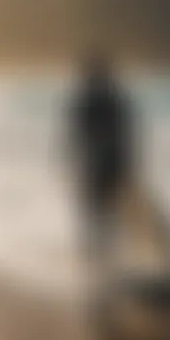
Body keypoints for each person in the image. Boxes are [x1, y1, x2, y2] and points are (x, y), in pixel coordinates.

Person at [68, 51, 136, 262]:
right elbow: (127, 138)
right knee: (108, 217)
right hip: (111, 165)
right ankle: (107, 260)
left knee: (95, 217)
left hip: (95, 166)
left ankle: (97, 261)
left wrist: (73, 164)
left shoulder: (85, 101)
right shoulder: (115, 101)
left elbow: (74, 138)